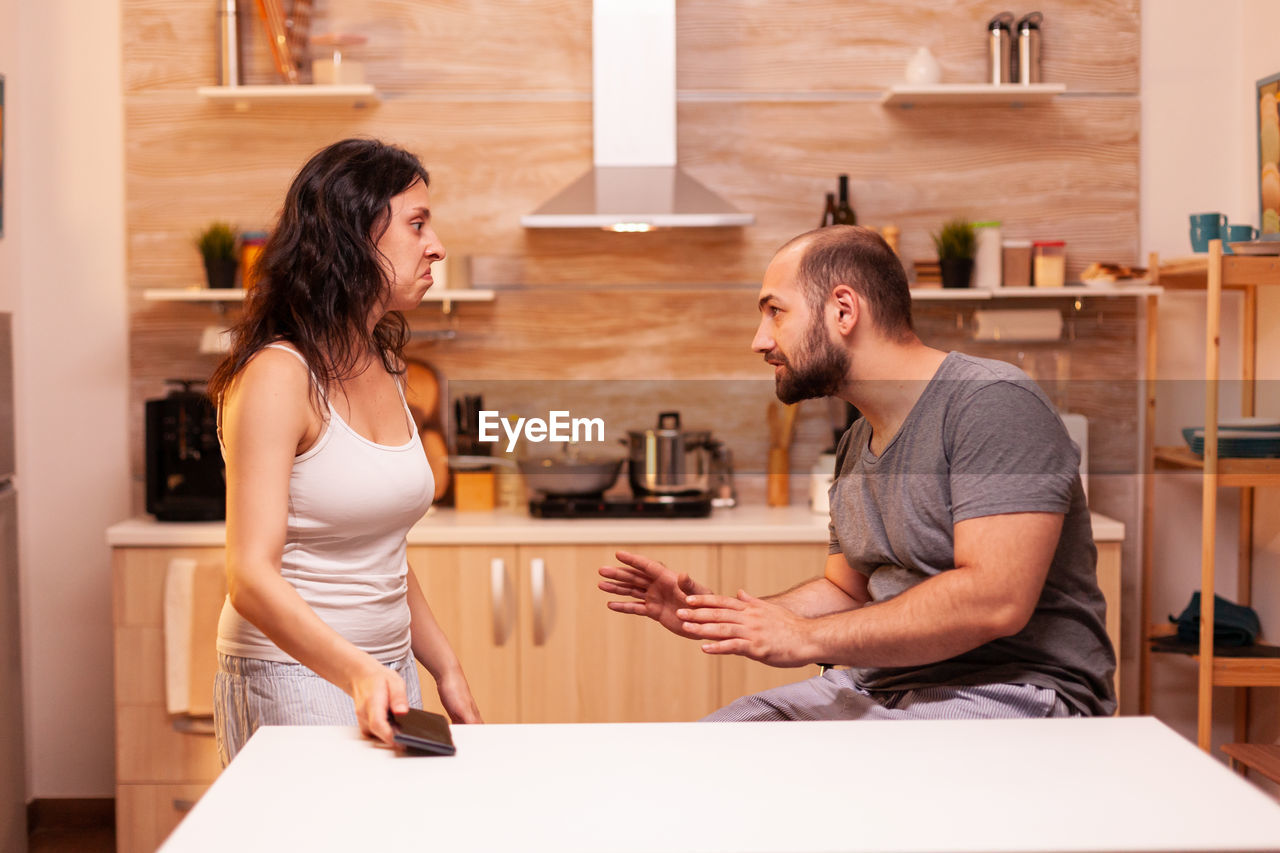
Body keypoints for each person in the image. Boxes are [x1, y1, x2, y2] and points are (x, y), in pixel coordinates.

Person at [599, 224, 1115, 721]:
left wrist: (804, 638)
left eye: (775, 312)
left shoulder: (992, 403)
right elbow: (847, 592)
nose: (759, 341)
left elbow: (993, 601)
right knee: (700, 758)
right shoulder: (857, 441)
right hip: (881, 686)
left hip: (1010, 689)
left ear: (843, 309)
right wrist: (716, 615)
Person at [208, 138, 482, 764]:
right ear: (354, 239)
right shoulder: (279, 376)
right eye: (417, 224)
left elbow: (378, 544)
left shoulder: (384, 364)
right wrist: (357, 673)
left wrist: (443, 666)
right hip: (292, 675)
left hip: (383, 674)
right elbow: (249, 576)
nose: (436, 244)